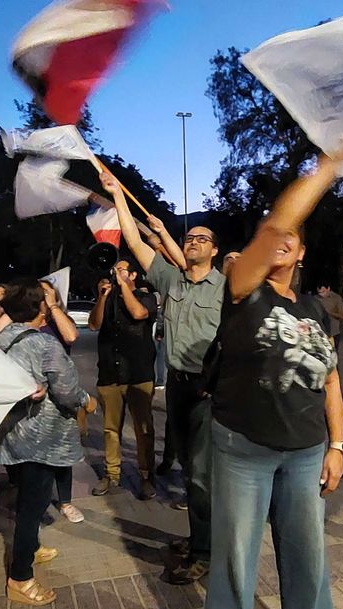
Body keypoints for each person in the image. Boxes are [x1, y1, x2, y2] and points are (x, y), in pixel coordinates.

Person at [197, 139, 343, 609]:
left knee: (308, 565)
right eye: (277, 236)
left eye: (295, 238)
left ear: (304, 253)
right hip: (244, 449)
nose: (284, 240)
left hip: (306, 452)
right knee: (237, 567)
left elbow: (330, 380)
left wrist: (337, 445)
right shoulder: (244, 289)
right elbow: (273, 227)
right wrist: (328, 168)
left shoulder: (314, 309)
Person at [101, 172, 225, 586]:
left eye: (203, 239)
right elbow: (135, 244)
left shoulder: (225, 288)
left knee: (203, 474)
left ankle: (207, 553)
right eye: (190, 238)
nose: (194, 242)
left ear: (215, 250)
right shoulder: (170, 280)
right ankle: (199, 538)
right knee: (190, 470)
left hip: (209, 390)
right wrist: (118, 195)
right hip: (176, 385)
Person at [0, 280, 97, 606]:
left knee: (27, 497)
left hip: (15, 435)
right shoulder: (44, 345)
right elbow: (66, 392)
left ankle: (32, 547)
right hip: (44, 438)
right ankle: (20, 578)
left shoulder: (0, 340)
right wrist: (87, 400)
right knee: (32, 507)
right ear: (40, 308)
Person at [87, 259, 158, 500]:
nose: (117, 273)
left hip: (138, 373)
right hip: (109, 374)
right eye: (114, 269)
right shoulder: (107, 297)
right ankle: (112, 473)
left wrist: (124, 286)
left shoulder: (145, 297)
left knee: (143, 429)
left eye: (123, 269)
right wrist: (103, 296)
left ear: (134, 274)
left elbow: (139, 313)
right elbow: (94, 324)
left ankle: (147, 475)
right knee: (110, 429)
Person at [36, 279, 86, 523]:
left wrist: (54, 307)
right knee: (36, 456)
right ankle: (38, 503)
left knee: (63, 453)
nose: (42, 297)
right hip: (34, 399)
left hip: (61, 397)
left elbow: (72, 336)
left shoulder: (58, 321)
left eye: (47, 293)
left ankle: (65, 502)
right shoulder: (27, 320)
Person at [315, 282, 343, 352]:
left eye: (323, 292)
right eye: (319, 293)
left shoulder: (336, 298)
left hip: (333, 332)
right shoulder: (315, 299)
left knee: (333, 353)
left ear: (328, 288)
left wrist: (329, 312)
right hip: (319, 332)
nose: (321, 294)